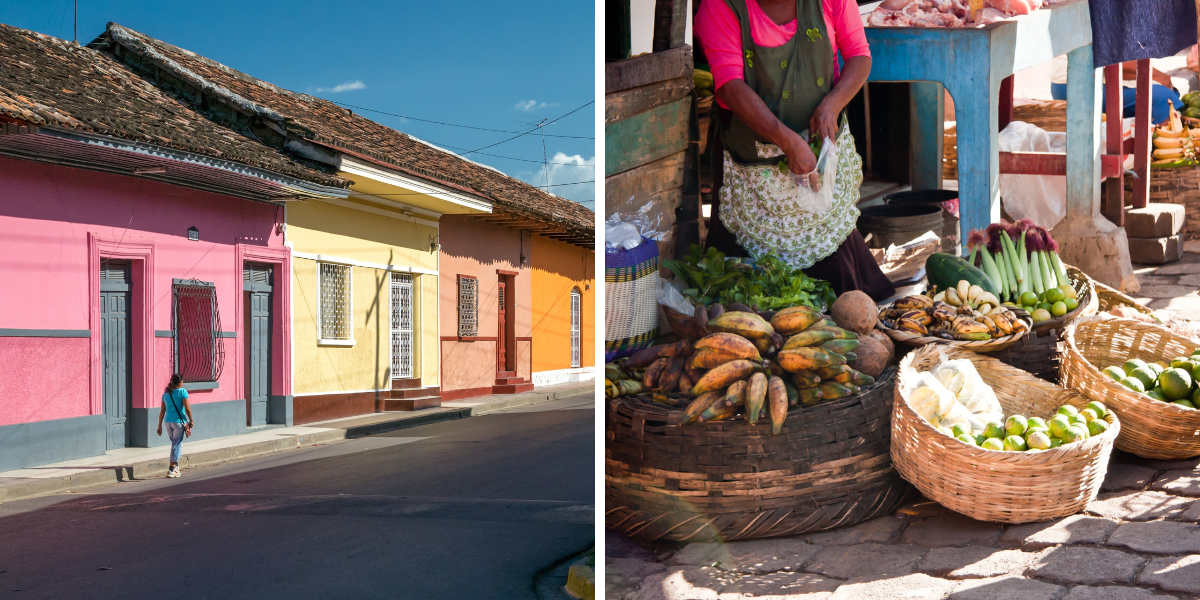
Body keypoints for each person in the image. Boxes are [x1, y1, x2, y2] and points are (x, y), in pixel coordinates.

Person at [695, 0, 896, 301]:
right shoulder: (720, 7)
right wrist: (787, 141)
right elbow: (729, 86)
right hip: (752, 162)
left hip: (821, 150)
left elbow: (859, 55)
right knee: (747, 297)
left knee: (834, 282)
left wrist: (831, 106)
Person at [1049, 56, 1182, 126]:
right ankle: (1149, 156)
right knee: (1164, 98)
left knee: (1172, 94)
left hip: (1092, 79)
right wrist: (1158, 76)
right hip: (1075, 85)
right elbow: (1115, 65)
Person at [157, 373, 194, 478]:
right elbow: (187, 408)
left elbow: (162, 411)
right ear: (180, 382)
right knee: (176, 444)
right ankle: (171, 468)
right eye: (182, 381)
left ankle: (176, 467)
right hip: (178, 422)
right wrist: (191, 420)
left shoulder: (165, 394)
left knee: (175, 444)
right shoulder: (183, 392)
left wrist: (159, 426)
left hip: (167, 422)